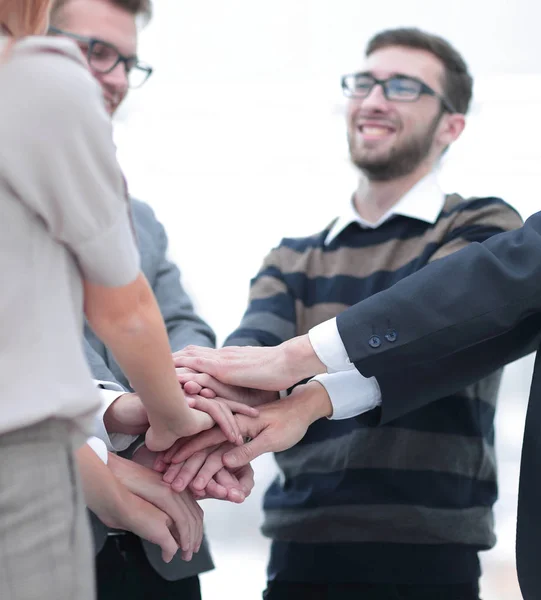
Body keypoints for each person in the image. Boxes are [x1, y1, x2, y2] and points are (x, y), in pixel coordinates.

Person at [170, 28, 523, 600]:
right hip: (299, 555)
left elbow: (435, 337)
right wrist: (214, 420)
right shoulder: (293, 257)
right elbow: (251, 361)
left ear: (451, 126)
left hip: (433, 560)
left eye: (403, 87)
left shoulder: (482, 231)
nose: (374, 99)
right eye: (365, 82)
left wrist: (303, 386)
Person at [0, 1, 244, 597]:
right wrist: (165, 415)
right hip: (42, 493)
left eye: (126, 62)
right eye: (96, 50)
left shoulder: (142, 220)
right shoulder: (36, 75)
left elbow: (173, 319)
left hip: (164, 543)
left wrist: (192, 389)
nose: (111, 76)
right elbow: (124, 313)